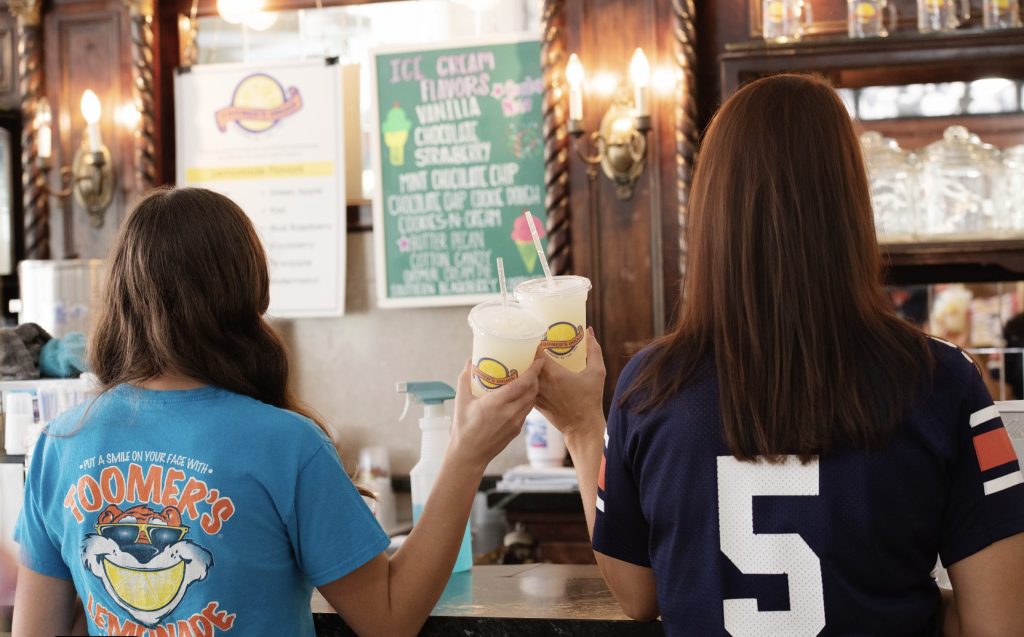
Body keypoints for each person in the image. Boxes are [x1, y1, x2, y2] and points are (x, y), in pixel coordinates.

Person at [537, 74, 1024, 636]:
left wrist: (580, 429)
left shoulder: (650, 385)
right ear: (849, 206)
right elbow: (1000, 623)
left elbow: (637, 596)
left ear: (711, 211)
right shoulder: (943, 379)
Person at [12, 187, 543, 637]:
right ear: (248, 290)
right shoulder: (287, 444)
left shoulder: (59, 444)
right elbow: (389, 618)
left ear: (123, 293)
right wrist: (467, 453)